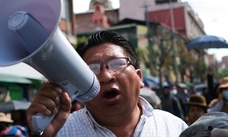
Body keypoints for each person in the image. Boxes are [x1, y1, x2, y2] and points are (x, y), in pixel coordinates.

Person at [26, 30, 188, 136]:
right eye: (92, 69)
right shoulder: (61, 131)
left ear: (139, 78)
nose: (105, 76)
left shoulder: (174, 127)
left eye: (117, 64)